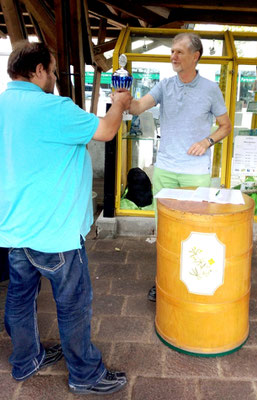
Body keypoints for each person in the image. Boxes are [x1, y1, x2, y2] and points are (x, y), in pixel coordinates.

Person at [0, 40, 131, 395]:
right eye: (53, 71)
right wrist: (119, 103)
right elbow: (105, 131)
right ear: (39, 70)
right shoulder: (53, 108)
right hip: (54, 231)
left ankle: (26, 360)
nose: (54, 77)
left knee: (20, 297)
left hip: (14, 229)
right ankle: (85, 374)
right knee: (73, 303)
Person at [129, 33, 231, 302]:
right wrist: (124, 96)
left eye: (179, 52)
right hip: (165, 169)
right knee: (165, 230)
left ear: (195, 56)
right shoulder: (164, 86)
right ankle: (162, 281)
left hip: (195, 172)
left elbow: (225, 126)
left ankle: (191, 283)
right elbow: (138, 107)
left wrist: (207, 141)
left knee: (192, 230)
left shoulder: (211, 89)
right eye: (172, 51)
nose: (173, 56)